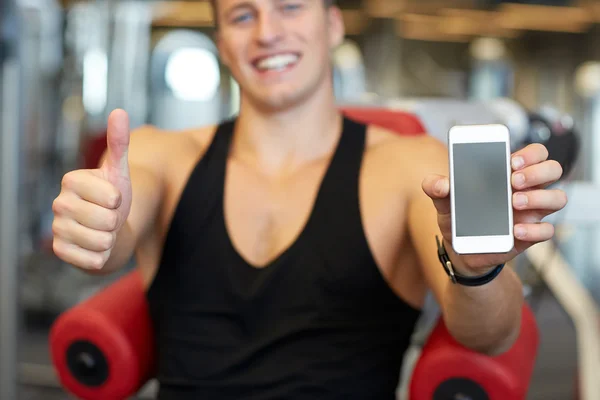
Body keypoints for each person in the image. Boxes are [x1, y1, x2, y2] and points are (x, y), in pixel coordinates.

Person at [51, 0, 568, 398]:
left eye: (291, 6)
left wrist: (477, 269)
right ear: (222, 43)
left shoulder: (405, 165)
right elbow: (114, 236)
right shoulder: (161, 155)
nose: (268, 31)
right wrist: (97, 227)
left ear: (333, 24)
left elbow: (490, 336)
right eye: (242, 15)